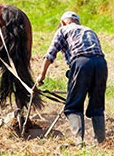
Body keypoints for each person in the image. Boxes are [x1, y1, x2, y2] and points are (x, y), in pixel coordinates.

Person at [37, 11, 108, 145]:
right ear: (77, 22)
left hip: (81, 63)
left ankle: (79, 141)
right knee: (97, 105)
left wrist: (41, 76)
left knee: (73, 106)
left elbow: (50, 54)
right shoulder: (89, 30)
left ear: (63, 22)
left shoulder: (63, 30)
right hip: (101, 64)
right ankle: (101, 141)